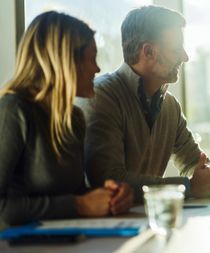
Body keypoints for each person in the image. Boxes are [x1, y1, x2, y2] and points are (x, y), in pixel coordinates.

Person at [0, 11, 133, 228]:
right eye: (91, 58)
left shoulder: (74, 119)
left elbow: (74, 193)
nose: (98, 69)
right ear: (66, 61)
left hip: (65, 242)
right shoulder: (12, 111)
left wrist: (112, 196)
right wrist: (80, 205)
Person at [78, 5, 210, 201]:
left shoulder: (170, 106)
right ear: (148, 52)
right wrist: (189, 187)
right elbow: (108, 180)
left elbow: (195, 163)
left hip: (149, 221)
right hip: (105, 227)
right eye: (176, 49)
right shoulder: (102, 96)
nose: (185, 57)